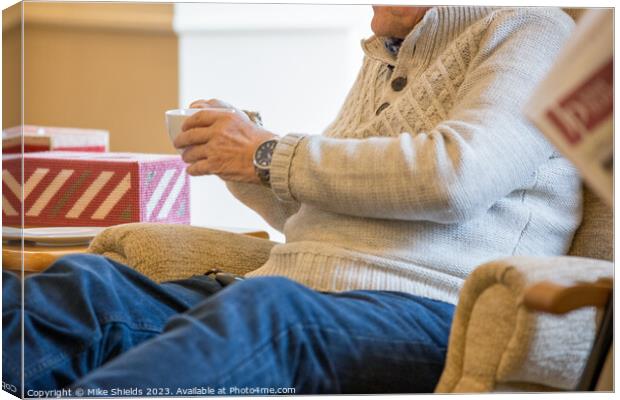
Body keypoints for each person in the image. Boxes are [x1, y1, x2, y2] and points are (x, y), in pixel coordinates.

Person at [3, 5, 580, 396]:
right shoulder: (388, 52)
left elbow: (457, 177)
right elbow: (320, 215)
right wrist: (238, 160)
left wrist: (266, 153)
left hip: (432, 313)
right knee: (84, 286)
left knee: (267, 315)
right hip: (298, 297)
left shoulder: (533, 31)